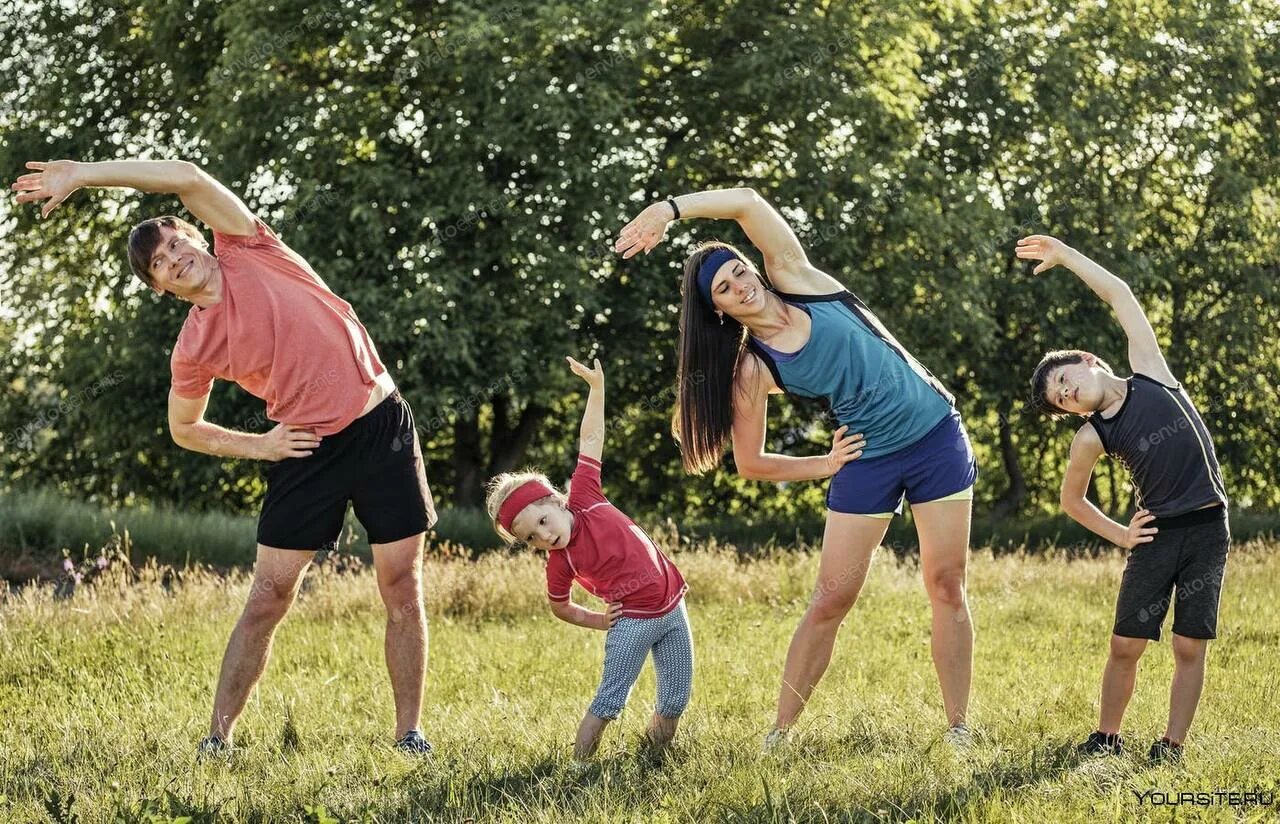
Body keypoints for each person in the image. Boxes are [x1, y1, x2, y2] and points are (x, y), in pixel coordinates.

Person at [11, 159, 438, 755]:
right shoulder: (193, 347)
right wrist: (260, 446)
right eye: (157, 262)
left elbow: (185, 175)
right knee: (268, 596)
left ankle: (409, 733)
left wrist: (83, 174)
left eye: (174, 241)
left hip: (380, 427)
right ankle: (219, 738)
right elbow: (184, 428)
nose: (172, 255)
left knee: (400, 584)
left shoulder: (248, 246)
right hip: (304, 447)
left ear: (193, 234)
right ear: (160, 287)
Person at [614, 188, 977, 748]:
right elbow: (751, 463)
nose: (741, 285)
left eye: (738, 271)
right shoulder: (753, 369)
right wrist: (825, 463)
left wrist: (668, 210)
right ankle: (779, 735)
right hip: (868, 458)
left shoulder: (797, 276)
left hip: (936, 437)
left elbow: (747, 202)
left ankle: (958, 728)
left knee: (946, 584)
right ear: (719, 310)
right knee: (831, 598)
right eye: (725, 289)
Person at [1020, 234, 1229, 764]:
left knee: (1188, 644)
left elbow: (1119, 294)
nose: (1067, 394)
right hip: (1156, 537)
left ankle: (1172, 746)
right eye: (1060, 399)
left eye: (1065, 380)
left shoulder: (1151, 373)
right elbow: (1072, 499)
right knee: (1126, 645)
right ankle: (1107, 737)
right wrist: (1120, 534)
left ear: (1089, 361)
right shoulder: (1092, 436)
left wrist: (1065, 255)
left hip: (1208, 529)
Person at [486, 356, 693, 763]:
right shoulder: (559, 563)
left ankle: (654, 758)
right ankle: (580, 766)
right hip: (632, 622)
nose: (544, 536)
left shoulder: (586, 496)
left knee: (675, 697)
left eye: (542, 521)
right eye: (531, 538)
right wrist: (598, 620)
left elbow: (592, 437)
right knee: (610, 701)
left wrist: (596, 389)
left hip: (673, 606)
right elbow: (558, 605)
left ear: (556, 502)